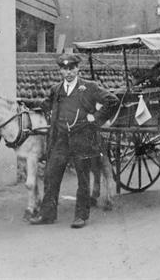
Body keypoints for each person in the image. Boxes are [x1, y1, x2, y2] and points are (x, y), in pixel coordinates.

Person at [30, 53, 119, 228]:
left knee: (83, 178)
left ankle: (81, 216)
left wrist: (96, 118)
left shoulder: (89, 87)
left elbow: (112, 101)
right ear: (60, 71)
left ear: (77, 69)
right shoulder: (56, 90)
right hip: (60, 140)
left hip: (82, 139)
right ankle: (47, 214)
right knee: (51, 175)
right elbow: (45, 104)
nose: (68, 72)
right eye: (64, 69)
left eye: (71, 68)